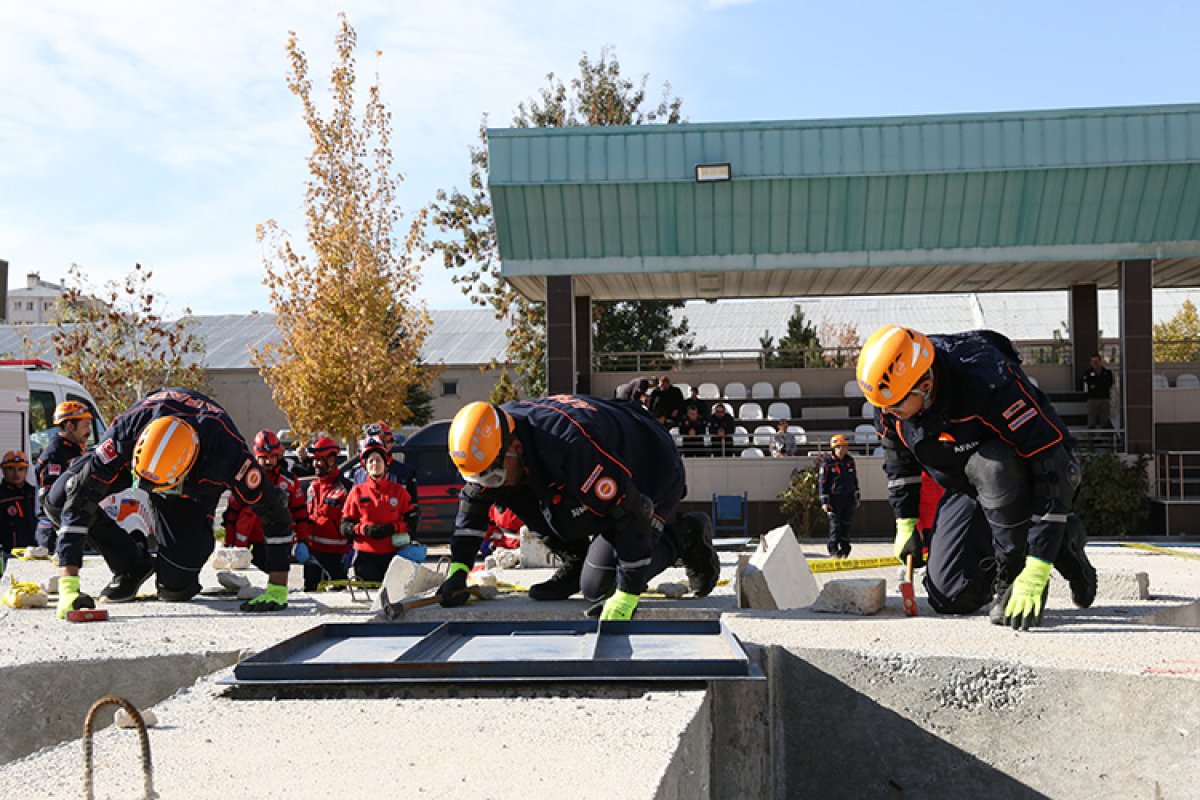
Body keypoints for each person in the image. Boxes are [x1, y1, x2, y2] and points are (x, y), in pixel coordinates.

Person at [856, 325, 1097, 630]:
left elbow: (1056, 470)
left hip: (1024, 478)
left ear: (926, 386)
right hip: (965, 485)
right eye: (882, 407)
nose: (887, 413)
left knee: (992, 467)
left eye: (896, 405)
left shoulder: (988, 385)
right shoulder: (890, 400)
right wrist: (905, 522)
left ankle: (1016, 571)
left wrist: (1037, 567)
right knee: (952, 596)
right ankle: (1063, 540)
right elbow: (898, 456)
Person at [438, 397, 720, 620]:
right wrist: (458, 572)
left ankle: (684, 535)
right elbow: (472, 508)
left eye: (492, 475)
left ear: (515, 446)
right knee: (516, 491)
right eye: (480, 478)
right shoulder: (491, 441)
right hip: (604, 464)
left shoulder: (570, 448)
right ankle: (576, 561)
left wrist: (628, 591)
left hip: (649, 470)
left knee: (599, 588)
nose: (488, 484)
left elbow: (630, 513)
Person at [43, 388, 295, 618]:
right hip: (135, 464)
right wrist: (68, 587)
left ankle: (179, 548)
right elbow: (79, 499)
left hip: (190, 493)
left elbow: (274, 511)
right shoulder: (125, 431)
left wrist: (277, 588)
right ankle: (131, 565)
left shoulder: (227, 453)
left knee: (175, 587)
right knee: (60, 499)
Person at [222, 430, 313, 576]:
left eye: (272, 457)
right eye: (264, 458)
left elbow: (299, 512)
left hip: (278, 539)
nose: (269, 461)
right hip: (249, 542)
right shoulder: (246, 478)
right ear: (256, 456)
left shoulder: (288, 481)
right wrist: (229, 544)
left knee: (276, 577)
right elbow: (232, 514)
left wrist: (302, 540)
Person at [340, 437, 420, 582]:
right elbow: (345, 526)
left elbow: (412, 521)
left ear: (386, 464)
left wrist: (393, 528)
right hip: (365, 556)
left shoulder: (398, 491)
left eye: (378, 460)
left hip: (394, 555)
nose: (375, 464)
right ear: (365, 466)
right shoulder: (357, 492)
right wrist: (363, 530)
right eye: (371, 461)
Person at [34, 401, 93, 553]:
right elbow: (52, 498)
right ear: (69, 426)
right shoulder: (56, 453)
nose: (89, 431)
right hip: (54, 532)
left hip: (71, 525)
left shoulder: (74, 451)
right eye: (85, 425)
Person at [349, 422, 421, 533]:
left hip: (395, 537)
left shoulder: (404, 473)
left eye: (389, 441)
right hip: (366, 537)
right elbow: (351, 512)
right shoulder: (359, 474)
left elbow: (412, 511)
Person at [303, 436, 353, 591]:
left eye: (319, 460)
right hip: (312, 555)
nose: (315, 464)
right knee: (311, 594)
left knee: (337, 601)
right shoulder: (312, 487)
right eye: (314, 460)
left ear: (332, 460)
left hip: (336, 557)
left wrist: (352, 550)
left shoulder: (346, 489)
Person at [818, 434, 859, 558]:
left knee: (846, 525)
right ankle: (834, 550)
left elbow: (854, 480)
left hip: (848, 499)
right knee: (835, 526)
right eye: (842, 446)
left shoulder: (850, 461)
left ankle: (845, 550)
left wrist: (856, 496)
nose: (845, 449)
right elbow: (822, 483)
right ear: (836, 447)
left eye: (846, 446)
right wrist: (824, 501)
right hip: (834, 500)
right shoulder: (827, 464)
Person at [1, 451, 36, 570]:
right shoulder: (1, 496)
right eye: (11, 469)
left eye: (21, 469)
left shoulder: (34, 493)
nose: (16, 473)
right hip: (8, 554)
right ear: (3, 470)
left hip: (35, 553)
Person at [1080, 353, 1114, 430]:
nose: (1095, 363)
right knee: (1091, 420)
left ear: (1100, 361)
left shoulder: (1107, 373)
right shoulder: (1087, 373)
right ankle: (1091, 440)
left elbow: (1108, 384)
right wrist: (1099, 384)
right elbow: (1087, 383)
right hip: (1092, 399)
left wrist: (1095, 385)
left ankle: (1106, 440)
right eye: (1093, 361)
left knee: (1105, 420)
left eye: (1096, 361)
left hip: (1104, 399)